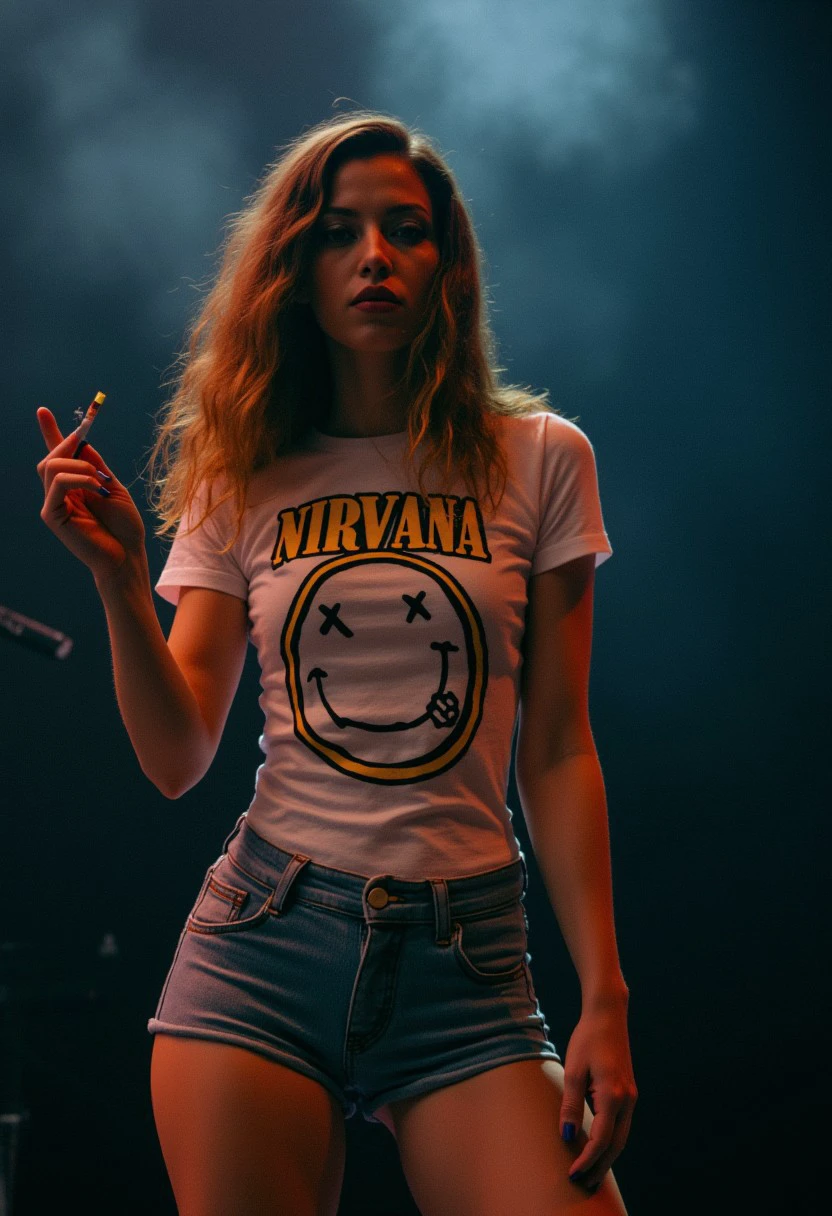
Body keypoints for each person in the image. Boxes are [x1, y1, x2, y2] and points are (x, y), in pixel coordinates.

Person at [36, 111, 636, 1216]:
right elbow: (178, 756)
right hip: (262, 947)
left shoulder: (542, 458)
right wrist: (121, 581)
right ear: (294, 267)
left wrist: (605, 992)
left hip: (467, 966)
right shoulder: (242, 472)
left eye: (405, 231)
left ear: (446, 266)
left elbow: (557, 747)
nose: (373, 256)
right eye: (338, 231)